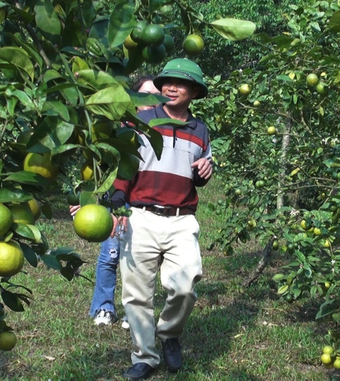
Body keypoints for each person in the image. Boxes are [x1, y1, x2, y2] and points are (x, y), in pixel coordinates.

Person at [110, 58, 213, 380]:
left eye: (180, 83)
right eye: (167, 81)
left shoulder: (200, 130)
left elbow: (200, 171)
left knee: (186, 284)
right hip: (141, 215)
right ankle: (145, 357)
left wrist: (205, 173)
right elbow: (124, 165)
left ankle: (169, 333)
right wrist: (115, 202)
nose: (171, 87)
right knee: (136, 293)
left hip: (181, 218)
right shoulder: (139, 121)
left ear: (194, 92)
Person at [69, 75, 161, 328]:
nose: (151, 103)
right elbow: (94, 167)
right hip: (116, 199)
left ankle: (137, 311)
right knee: (110, 255)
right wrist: (86, 200)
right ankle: (104, 307)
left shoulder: (160, 130)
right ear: (134, 100)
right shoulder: (118, 130)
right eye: (146, 96)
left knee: (140, 258)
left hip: (144, 201)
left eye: (156, 97)